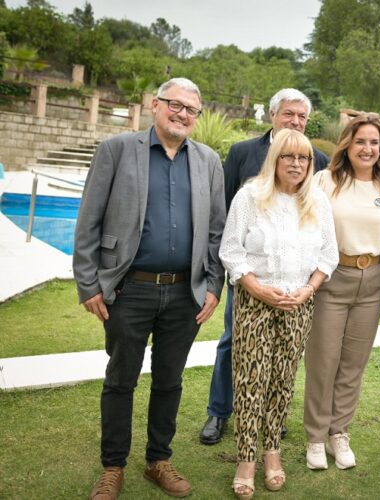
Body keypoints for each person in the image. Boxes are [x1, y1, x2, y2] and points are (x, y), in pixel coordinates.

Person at [74, 77, 226, 499]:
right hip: (129, 289)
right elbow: (89, 221)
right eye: (174, 105)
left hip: (185, 294)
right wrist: (89, 284)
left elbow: (216, 229)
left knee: (169, 380)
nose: (181, 114)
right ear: (155, 105)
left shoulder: (209, 160)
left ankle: (159, 459)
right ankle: (112, 466)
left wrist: (214, 284)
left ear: (196, 117)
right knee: (121, 379)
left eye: (190, 110)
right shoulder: (118, 150)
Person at [200, 88, 329, 445]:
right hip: (248, 276)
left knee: (283, 353)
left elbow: (318, 219)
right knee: (233, 342)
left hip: (293, 280)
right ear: (273, 115)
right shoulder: (243, 153)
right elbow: (223, 212)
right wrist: (240, 275)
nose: (296, 121)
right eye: (289, 114)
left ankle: (271, 415)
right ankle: (219, 412)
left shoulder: (317, 159)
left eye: (302, 117)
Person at [219, 128, 338, 498]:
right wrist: (255, 287)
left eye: (303, 158)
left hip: (298, 302)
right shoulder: (250, 197)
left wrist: (309, 288)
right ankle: (245, 460)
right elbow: (231, 250)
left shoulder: (317, 202)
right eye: (288, 156)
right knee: (250, 381)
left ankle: (272, 453)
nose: (297, 164)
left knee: (282, 381)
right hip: (256, 301)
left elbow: (328, 255)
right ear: (275, 159)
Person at [303, 114, 380, 470]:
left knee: (353, 364)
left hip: (373, 279)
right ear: (348, 143)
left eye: (374, 142)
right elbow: (307, 228)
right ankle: (316, 437)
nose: (368, 148)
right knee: (323, 361)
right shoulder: (325, 180)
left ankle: (339, 433)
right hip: (332, 277)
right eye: (361, 141)